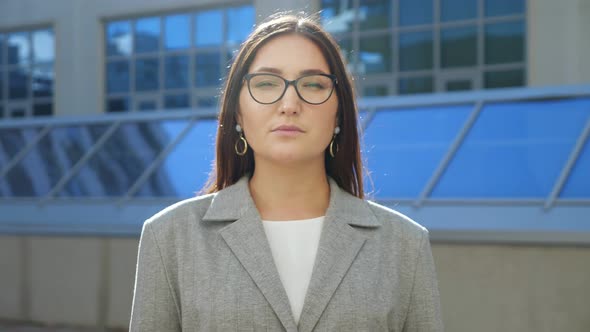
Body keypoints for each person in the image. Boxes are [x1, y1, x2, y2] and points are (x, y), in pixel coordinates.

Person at [129, 13, 443, 332]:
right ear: (238, 110)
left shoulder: (404, 244)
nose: (289, 104)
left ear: (339, 114)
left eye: (313, 84)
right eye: (266, 83)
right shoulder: (170, 237)